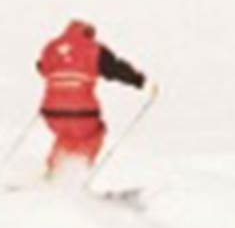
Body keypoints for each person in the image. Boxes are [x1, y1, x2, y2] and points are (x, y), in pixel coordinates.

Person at [35, 18, 152, 177]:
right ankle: (76, 176)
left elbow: (41, 68)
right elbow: (115, 69)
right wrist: (140, 81)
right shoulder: (94, 48)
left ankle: (52, 173)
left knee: (67, 136)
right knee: (93, 133)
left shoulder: (50, 47)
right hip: (82, 111)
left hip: (51, 112)